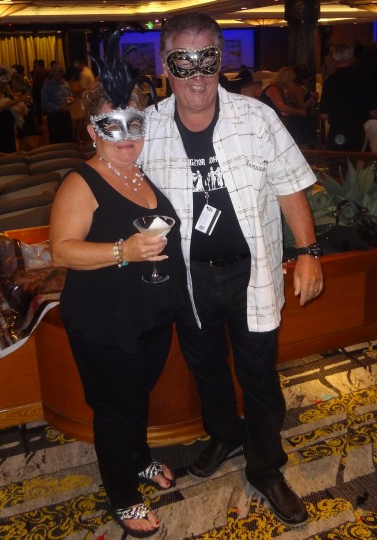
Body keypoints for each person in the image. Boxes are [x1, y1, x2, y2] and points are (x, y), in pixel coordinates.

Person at [140, 13, 324, 528]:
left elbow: (290, 186)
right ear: (165, 65)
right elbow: (115, 184)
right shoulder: (147, 128)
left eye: (208, 59)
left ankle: (266, 467)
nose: (197, 74)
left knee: (258, 374)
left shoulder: (257, 118)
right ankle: (225, 434)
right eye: (183, 61)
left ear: (221, 61)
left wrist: (308, 253)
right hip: (188, 277)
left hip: (251, 271)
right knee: (206, 367)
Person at [50, 30, 191, 538]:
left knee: (137, 397)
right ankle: (123, 495)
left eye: (134, 123)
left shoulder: (141, 174)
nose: (126, 136)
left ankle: (138, 457)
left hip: (147, 314)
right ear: (93, 131)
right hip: (104, 322)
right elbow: (62, 250)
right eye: (111, 125)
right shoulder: (80, 182)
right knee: (114, 409)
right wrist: (122, 252)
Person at [319, 42, 377, 152]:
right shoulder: (363, 79)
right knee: (354, 161)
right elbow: (373, 112)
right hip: (357, 132)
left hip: (337, 131)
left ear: (334, 59)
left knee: (337, 161)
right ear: (351, 57)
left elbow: (324, 115)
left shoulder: (331, 81)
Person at [41, 62, 74, 144]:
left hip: (66, 115)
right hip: (54, 116)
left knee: (68, 138)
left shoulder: (65, 83)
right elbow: (44, 102)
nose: (57, 73)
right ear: (52, 72)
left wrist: (70, 101)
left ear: (63, 72)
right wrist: (59, 108)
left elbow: (70, 96)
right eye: (55, 71)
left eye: (59, 71)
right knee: (56, 140)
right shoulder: (47, 85)